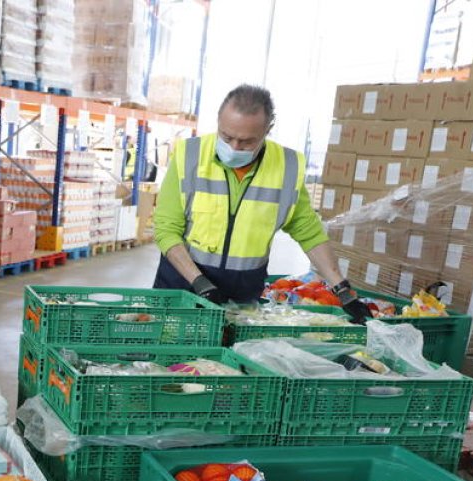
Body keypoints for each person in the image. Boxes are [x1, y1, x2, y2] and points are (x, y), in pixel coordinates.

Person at [152, 84, 373, 323]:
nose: (234, 147)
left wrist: (341, 289)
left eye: (247, 141)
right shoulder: (189, 155)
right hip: (183, 283)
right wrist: (199, 282)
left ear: (268, 129)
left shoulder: (286, 167)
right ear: (218, 121)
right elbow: (166, 229)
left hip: (242, 296)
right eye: (227, 137)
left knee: (221, 358)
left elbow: (309, 232)